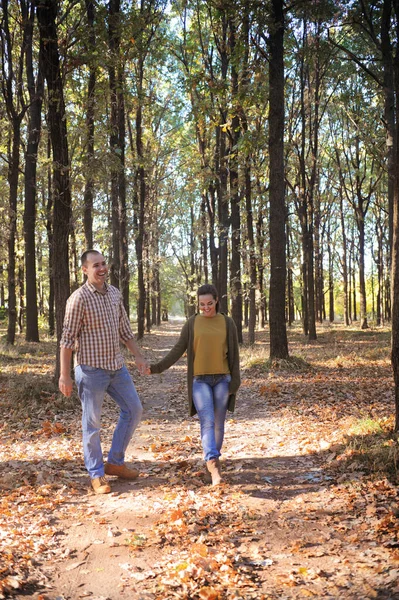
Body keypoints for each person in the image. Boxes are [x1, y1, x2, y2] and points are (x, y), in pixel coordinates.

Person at [59, 249, 149, 494]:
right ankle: (96, 474)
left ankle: (116, 463)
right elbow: (67, 339)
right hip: (90, 370)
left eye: (103, 263)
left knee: (134, 409)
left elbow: (125, 331)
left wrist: (138, 356)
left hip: (117, 366)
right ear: (85, 270)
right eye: (95, 265)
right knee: (92, 423)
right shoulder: (78, 299)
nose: (101, 269)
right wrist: (64, 375)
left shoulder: (114, 294)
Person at [149, 284, 240, 485]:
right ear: (197, 304)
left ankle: (212, 460)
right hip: (200, 381)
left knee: (218, 423)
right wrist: (156, 367)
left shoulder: (227, 322)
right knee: (206, 421)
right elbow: (177, 349)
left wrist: (235, 381)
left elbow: (234, 355)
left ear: (216, 300)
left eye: (209, 303)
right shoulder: (192, 323)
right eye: (201, 304)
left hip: (223, 379)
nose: (206, 308)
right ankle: (213, 464)